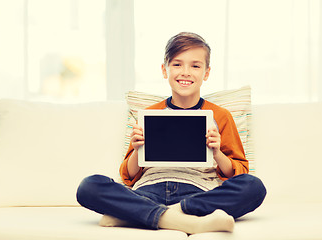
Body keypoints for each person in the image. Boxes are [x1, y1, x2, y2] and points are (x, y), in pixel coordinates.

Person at [76, 32, 266, 234]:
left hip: (196, 195)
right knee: (89, 186)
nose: (185, 72)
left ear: (206, 73)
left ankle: (145, 215)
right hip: (148, 191)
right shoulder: (149, 114)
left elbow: (238, 173)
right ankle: (187, 222)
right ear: (164, 70)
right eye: (177, 64)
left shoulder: (220, 116)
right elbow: (129, 176)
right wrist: (137, 149)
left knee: (253, 187)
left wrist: (217, 152)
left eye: (195, 66)